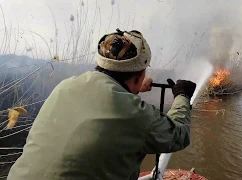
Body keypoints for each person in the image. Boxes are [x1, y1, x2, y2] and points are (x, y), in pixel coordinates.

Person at [7, 29, 196, 180]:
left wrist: (135, 87)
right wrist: (182, 95)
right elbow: (179, 134)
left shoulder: (65, 86)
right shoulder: (135, 114)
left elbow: (109, 95)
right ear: (139, 75)